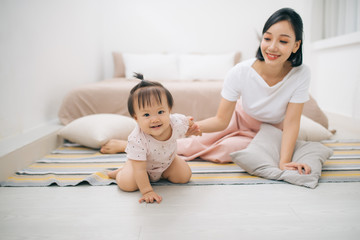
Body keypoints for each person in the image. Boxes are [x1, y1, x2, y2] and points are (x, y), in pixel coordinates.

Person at [102, 7, 311, 174]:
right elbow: (221, 120)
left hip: (271, 132)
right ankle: (137, 146)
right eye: (267, 38)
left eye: (283, 41)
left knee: (230, 150)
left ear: (296, 45)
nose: (272, 47)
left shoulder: (301, 74)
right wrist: (183, 127)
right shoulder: (240, 72)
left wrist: (284, 163)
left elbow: (292, 122)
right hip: (238, 119)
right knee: (198, 142)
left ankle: (162, 148)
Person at [107, 73, 197, 204]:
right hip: (141, 167)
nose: (155, 119)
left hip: (167, 163)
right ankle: (122, 171)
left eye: (161, 112)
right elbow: (140, 169)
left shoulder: (175, 122)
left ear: (169, 110)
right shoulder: (137, 138)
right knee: (128, 185)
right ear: (136, 118)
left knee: (184, 176)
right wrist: (147, 191)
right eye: (147, 114)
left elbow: (187, 121)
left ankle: (165, 172)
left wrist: (192, 125)